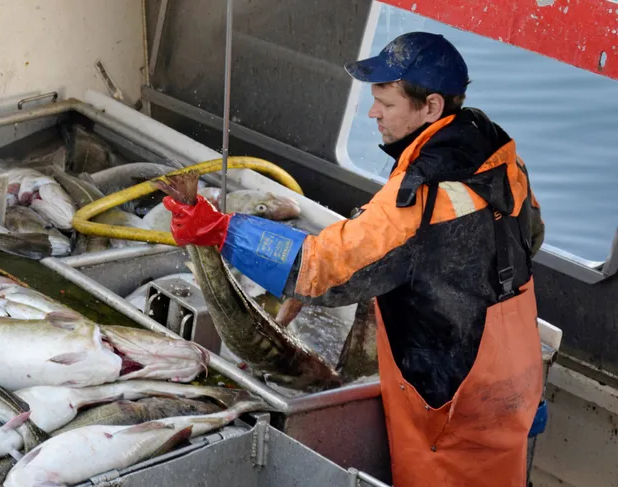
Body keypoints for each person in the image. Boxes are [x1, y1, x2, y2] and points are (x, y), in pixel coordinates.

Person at [164, 32, 547, 486]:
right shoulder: (499, 154)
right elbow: (531, 237)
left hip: (453, 400)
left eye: (386, 102)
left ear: (431, 108)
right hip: (513, 368)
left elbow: (316, 270)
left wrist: (221, 230)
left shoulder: (420, 199)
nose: (372, 113)